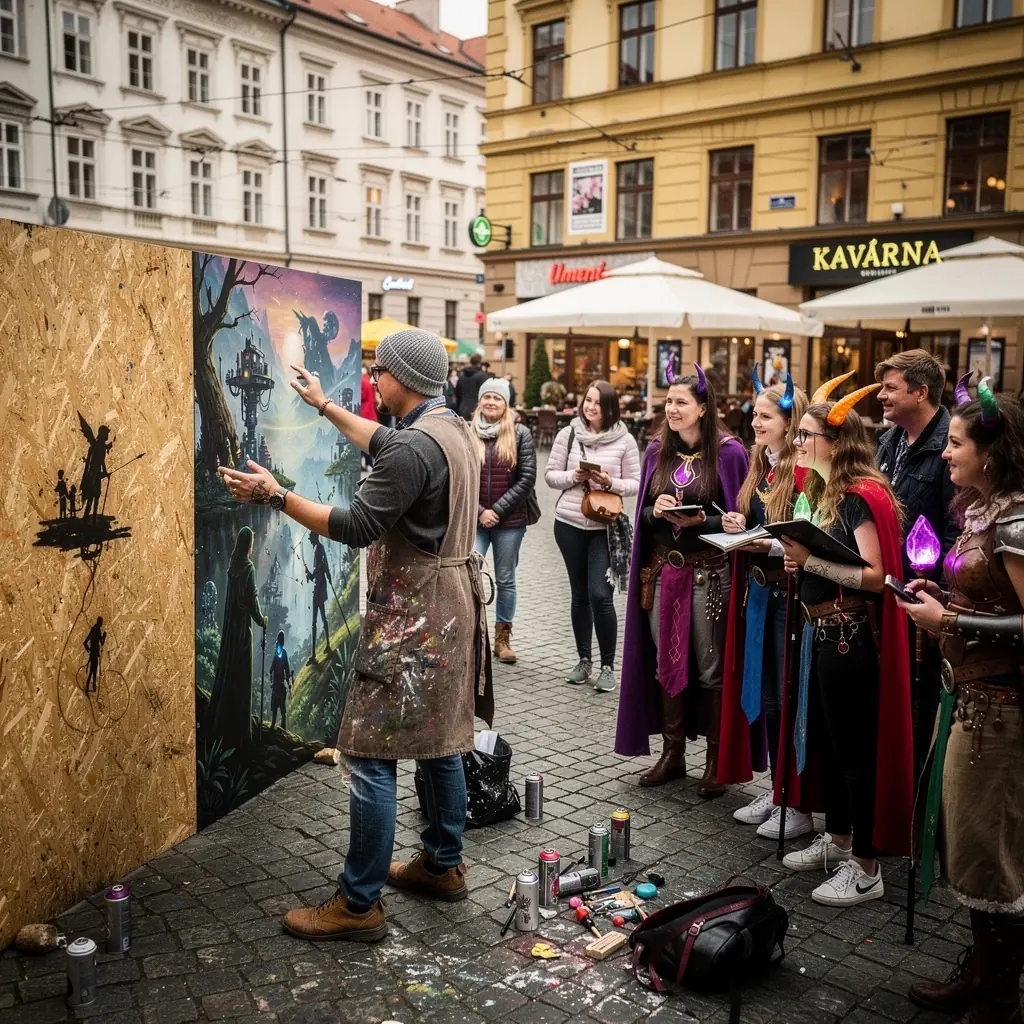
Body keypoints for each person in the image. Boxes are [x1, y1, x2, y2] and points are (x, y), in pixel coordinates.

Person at [218, 328, 492, 943]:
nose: (373, 377)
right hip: (452, 607)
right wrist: (323, 406)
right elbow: (392, 444)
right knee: (444, 739)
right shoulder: (452, 428)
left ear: (403, 377)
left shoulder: (410, 447)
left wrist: (275, 494)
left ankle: (358, 902)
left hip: (412, 615)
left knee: (370, 754)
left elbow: (358, 524)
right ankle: (443, 866)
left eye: (379, 370)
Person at [897, 381, 1024, 1024]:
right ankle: (980, 973)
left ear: (991, 454)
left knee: (994, 856)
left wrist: (947, 623)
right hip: (970, 701)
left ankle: (1001, 995)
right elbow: (983, 598)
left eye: (955, 443)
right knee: (971, 847)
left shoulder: (1018, 522)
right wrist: (937, 595)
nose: (946, 454)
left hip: (1004, 714)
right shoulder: (981, 511)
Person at [779, 374, 913, 906]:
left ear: (836, 441)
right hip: (822, 631)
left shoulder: (862, 496)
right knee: (831, 746)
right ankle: (837, 840)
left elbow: (878, 577)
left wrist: (810, 561)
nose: (799, 445)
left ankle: (866, 865)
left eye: (806, 435)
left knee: (855, 750)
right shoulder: (825, 491)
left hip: (850, 637)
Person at [614, 364, 749, 796]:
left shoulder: (729, 454)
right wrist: (656, 511)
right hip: (663, 573)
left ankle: (715, 761)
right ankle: (673, 754)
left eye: (681, 403)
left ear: (703, 409)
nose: (671, 409)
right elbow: (646, 518)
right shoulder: (657, 451)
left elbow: (739, 521)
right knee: (664, 663)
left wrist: (703, 519)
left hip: (710, 575)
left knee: (710, 670)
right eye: (669, 401)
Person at [719, 367, 814, 839]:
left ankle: (796, 802)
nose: (754, 424)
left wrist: (767, 544)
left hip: (790, 597)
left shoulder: (802, 471)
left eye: (764, 417)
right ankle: (778, 790)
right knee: (770, 697)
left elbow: (807, 537)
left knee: (788, 698)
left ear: (789, 421)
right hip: (761, 593)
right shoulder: (762, 463)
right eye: (753, 415)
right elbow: (760, 522)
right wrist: (739, 524)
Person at [875, 349, 958, 773]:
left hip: (923, 603)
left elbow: (955, 534)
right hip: (883, 591)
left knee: (920, 712)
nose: (881, 397)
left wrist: (935, 591)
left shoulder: (950, 448)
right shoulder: (887, 440)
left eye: (891, 388)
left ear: (921, 392)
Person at [545, 381, 640, 693]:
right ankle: (584, 660)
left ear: (610, 407)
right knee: (579, 594)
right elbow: (550, 475)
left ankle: (608, 666)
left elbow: (636, 484)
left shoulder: (625, 440)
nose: (591, 407)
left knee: (600, 594)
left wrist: (609, 482)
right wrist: (575, 476)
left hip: (604, 528)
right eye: (588, 400)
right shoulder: (568, 434)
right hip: (569, 523)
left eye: (598, 403)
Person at [473, 377, 537, 665]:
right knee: (470, 577)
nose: (491, 402)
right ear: (479, 401)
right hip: (475, 521)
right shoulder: (467, 431)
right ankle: (472, 636)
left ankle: (502, 639)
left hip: (510, 521)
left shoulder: (521, 433)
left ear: (506, 403)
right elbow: (458, 476)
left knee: (506, 579)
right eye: (486, 397)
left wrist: (496, 510)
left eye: (497, 398)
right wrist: (479, 512)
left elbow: (526, 479)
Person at [204, 526, 267, 755]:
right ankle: (241, 735)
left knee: (229, 675)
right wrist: (261, 620)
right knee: (242, 677)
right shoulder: (248, 569)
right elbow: (251, 600)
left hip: (230, 632)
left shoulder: (232, 569)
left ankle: (226, 728)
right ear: (248, 543)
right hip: (242, 632)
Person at [305, 530, 332, 664]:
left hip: (319, 588)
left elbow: (321, 566)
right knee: (321, 618)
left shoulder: (318, 550)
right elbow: (324, 565)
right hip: (320, 586)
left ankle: (315, 654)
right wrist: (328, 576)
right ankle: (325, 646)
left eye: (310, 538)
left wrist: (310, 574)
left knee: (315, 621)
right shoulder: (319, 548)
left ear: (315, 537)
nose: (309, 540)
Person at [269, 631, 293, 731]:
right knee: (276, 710)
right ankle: (273, 728)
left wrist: (289, 683)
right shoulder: (278, 653)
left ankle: (281, 729)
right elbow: (273, 669)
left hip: (279, 686)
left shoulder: (281, 653)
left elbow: (286, 670)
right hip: (277, 685)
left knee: (281, 710)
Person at [455, 354, 488, 420]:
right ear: (480, 363)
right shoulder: (482, 376)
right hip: (477, 410)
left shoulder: (462, 375)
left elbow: (457, 393)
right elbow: (485, 393)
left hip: (462, 408)